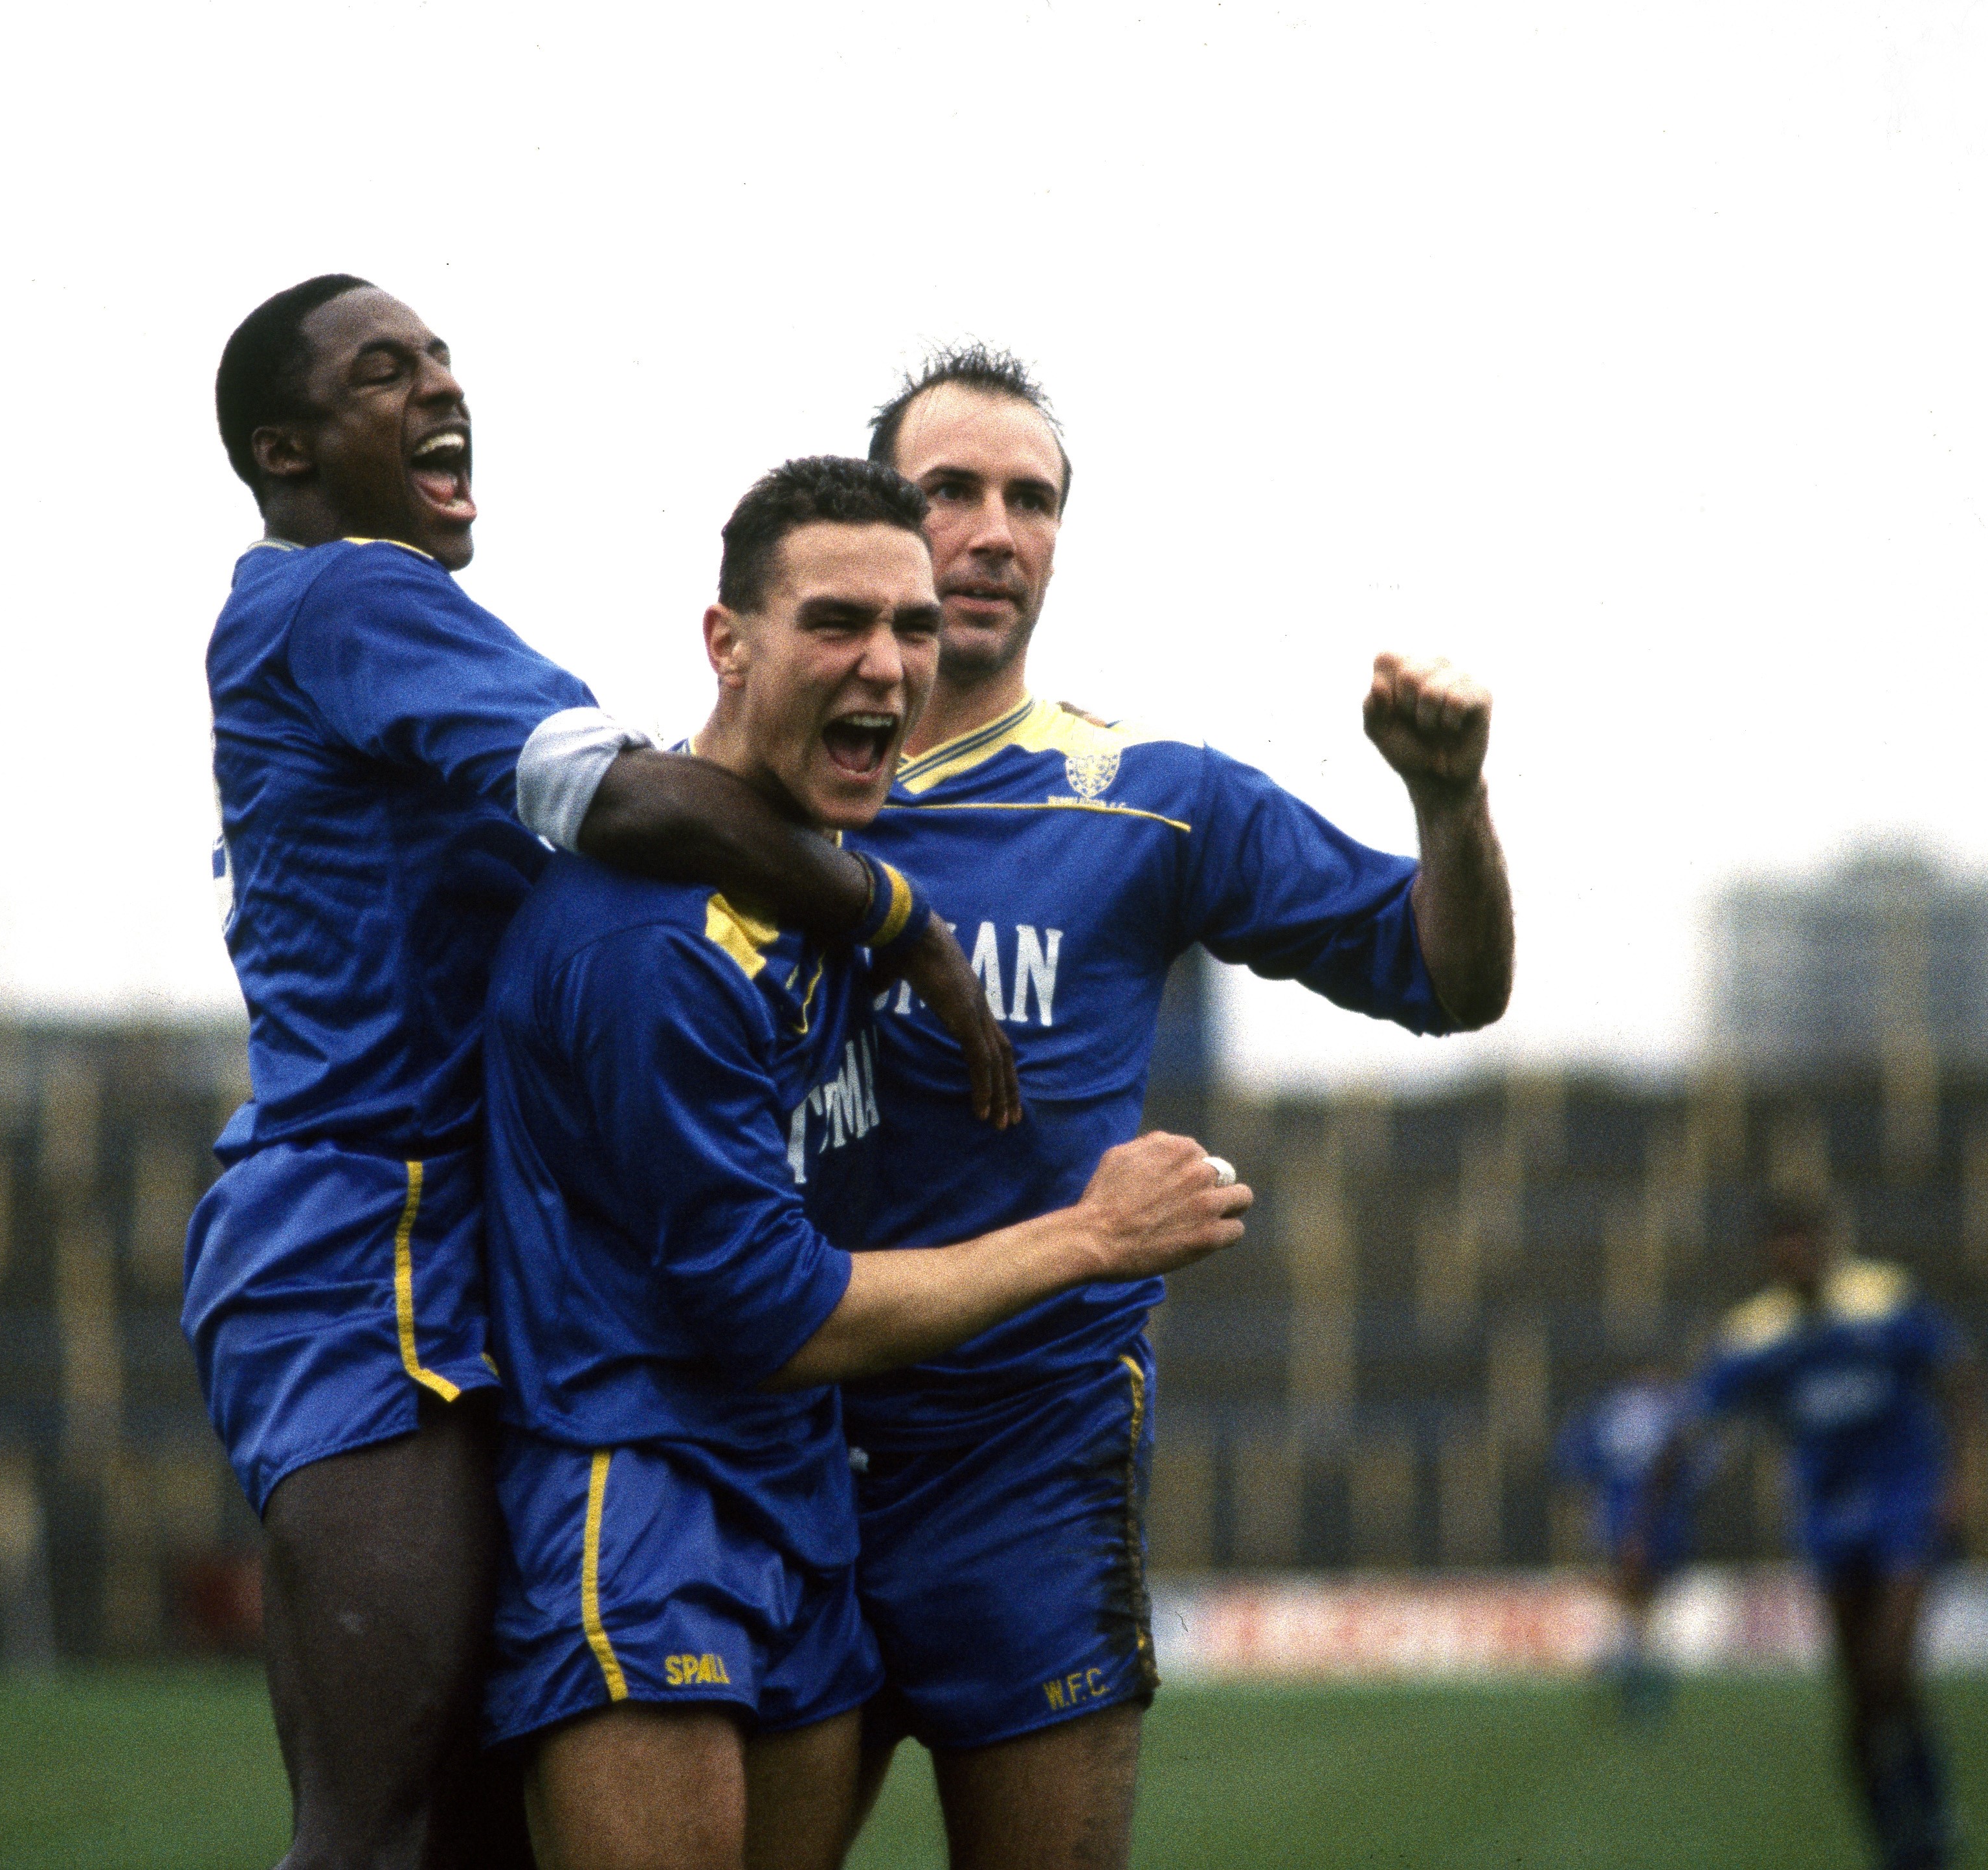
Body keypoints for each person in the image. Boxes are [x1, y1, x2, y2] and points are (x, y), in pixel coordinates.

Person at [183, 279, 1016, 1870]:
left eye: (440, 356)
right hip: (368, 1242)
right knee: (381, 1824)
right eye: (384, 371)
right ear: (285, 449)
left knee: (449, 1826)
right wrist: (901, 923)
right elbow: (628, 806)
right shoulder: (347, 595)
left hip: (437, 1237)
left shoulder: (365, 619)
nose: (439, 382)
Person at [476, 456, 1256, 1870]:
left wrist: (911, 931)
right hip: (645, 1503)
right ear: (728, 642)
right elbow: (776, 1315)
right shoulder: (654, 949)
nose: (887, 666)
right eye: (835, 622)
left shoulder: (816, 880)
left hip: (797, 1501)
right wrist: (1088, 1236)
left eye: (909, 627)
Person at [835, 346, 1516, 1869]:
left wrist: (1450, 802)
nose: (997, 530)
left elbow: (1447, 976)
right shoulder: (748, 812)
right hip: (782, 1452)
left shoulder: (1152, 799)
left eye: (1034, 498)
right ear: (872, 517)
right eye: (951, 489)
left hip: (1030, 1466)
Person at [1628, 1197, 1984, 1870]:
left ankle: (1929, 1817)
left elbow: (1958, 1376)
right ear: (1769, 1257)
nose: (1793, 1257)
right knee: (1858, 1693)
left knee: (1890, 1664)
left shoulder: (1882, 1299)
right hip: (1827, 1517)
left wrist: (1959, 1478)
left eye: (1803, 1242)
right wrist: (1642, 1530)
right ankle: (1891, 1836)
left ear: (1826, 1244)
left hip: (1903, 1500)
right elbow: (1686, 1429)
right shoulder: (1754, 1334)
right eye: (1780, 1247)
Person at [1552, 1363, 1720, 1719]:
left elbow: (1575, 1457)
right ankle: (1633, 1672)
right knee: (1640, 1598)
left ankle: (1627, 1669)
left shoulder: (1620, 1411)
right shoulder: (1674, 1409)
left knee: (1638, 1596)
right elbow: (1705, 1461)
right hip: (1655, 1518)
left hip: (1636, 1516)